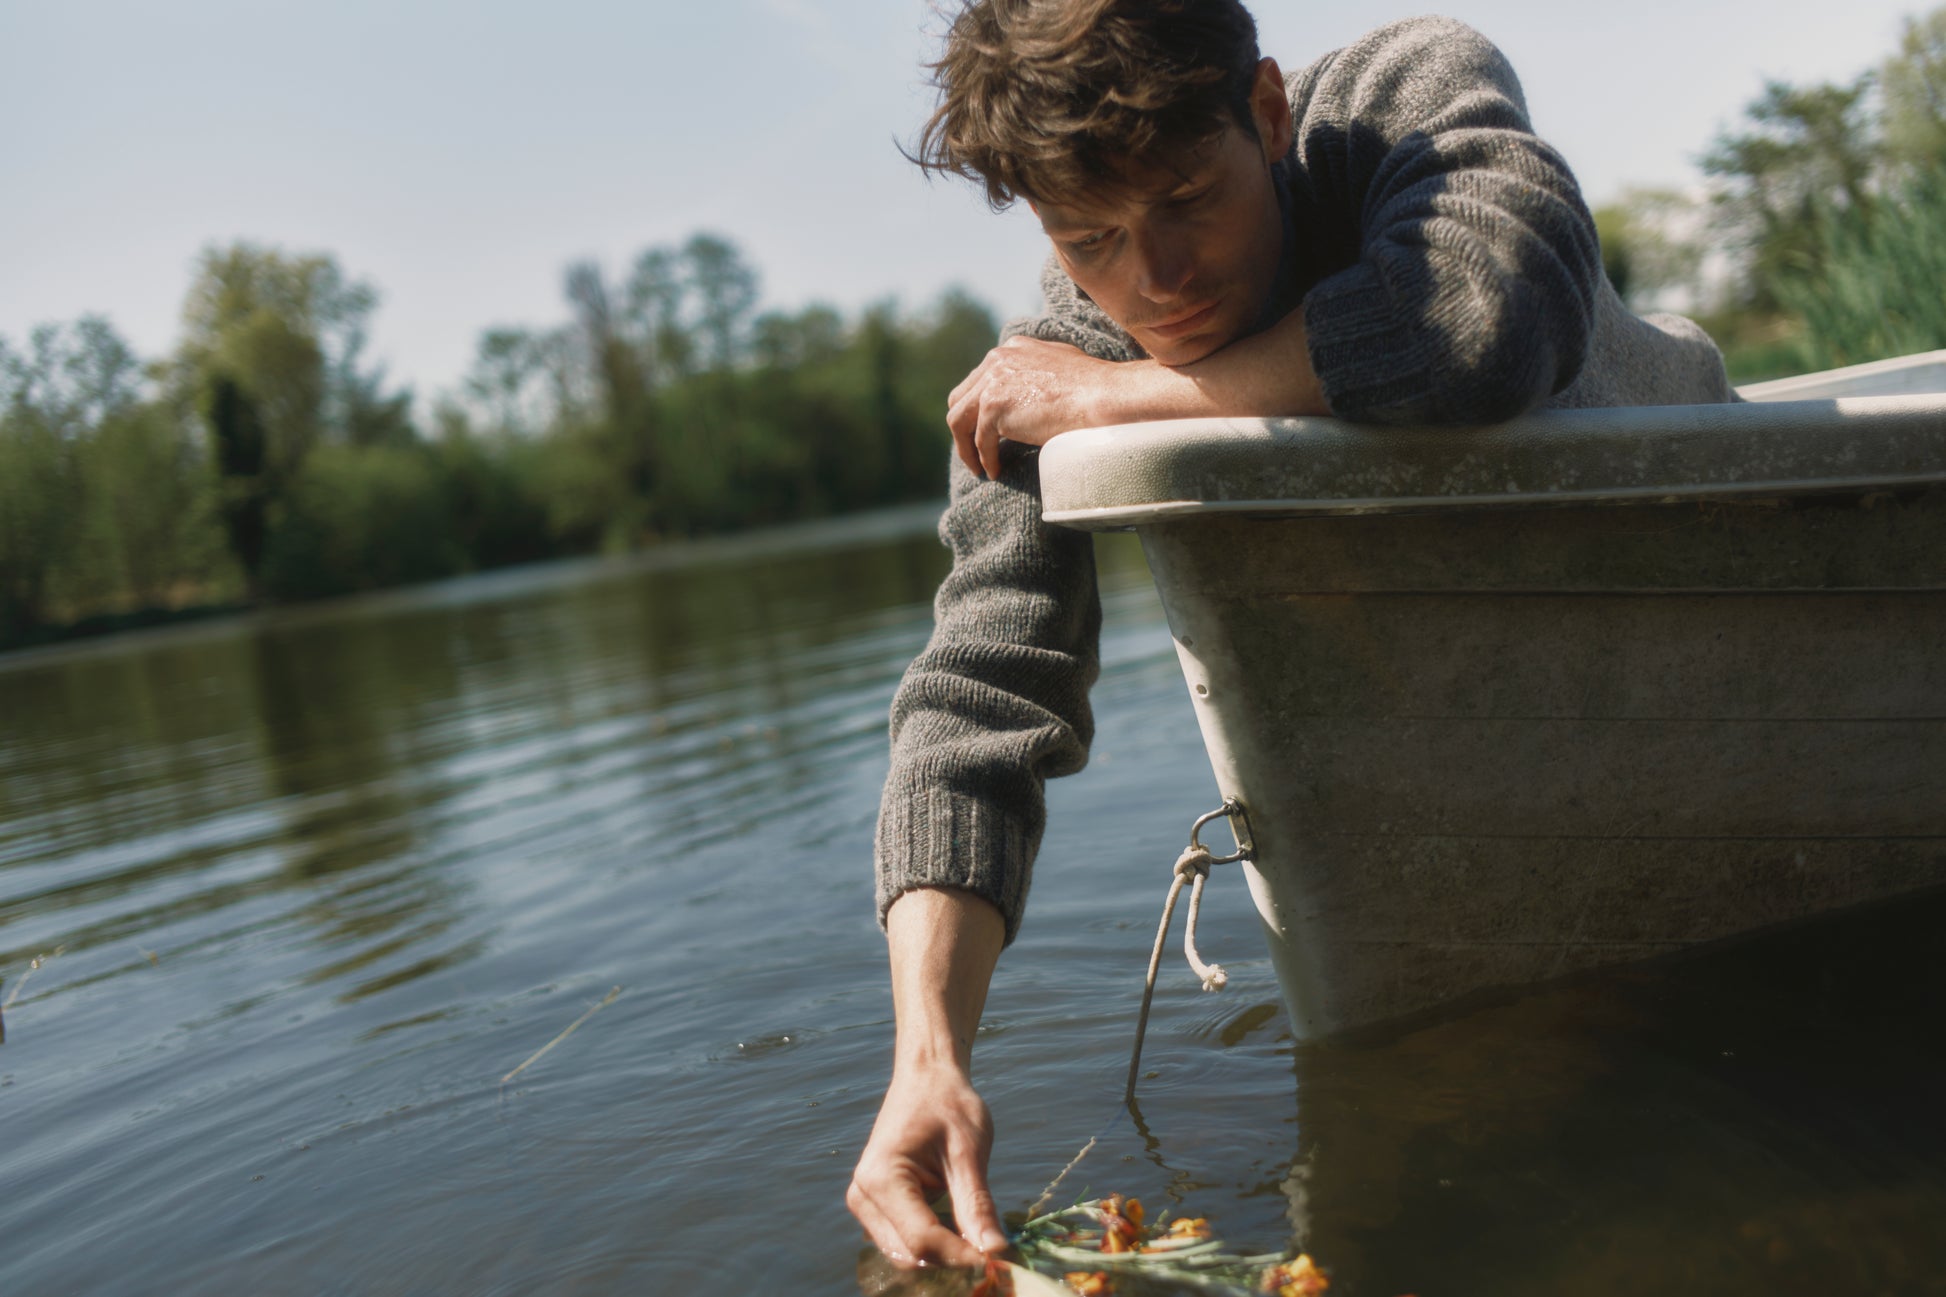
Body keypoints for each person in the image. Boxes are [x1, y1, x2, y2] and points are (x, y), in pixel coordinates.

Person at [847, 0, 1735, 1269]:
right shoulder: (1047, 366)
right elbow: (980, 687)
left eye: (1187, 197)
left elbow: (1481, 321)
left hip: (1702, 491)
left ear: (1262, 112)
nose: (1153, 278)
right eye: (1088, 237)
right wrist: (926, 1060)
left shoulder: (1406, 90)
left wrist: (1126, 401)